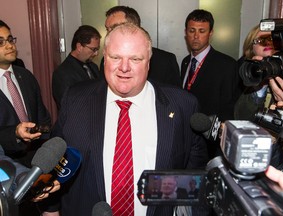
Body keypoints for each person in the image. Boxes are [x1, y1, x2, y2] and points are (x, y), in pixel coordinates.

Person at [51, 23, 209, 216]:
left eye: (135, 59)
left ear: (149, 63)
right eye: (115, 57)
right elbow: (56, 160)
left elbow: (195, 174)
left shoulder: (183, 105)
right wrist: (50, 209)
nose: (124, 68)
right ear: (104, 58)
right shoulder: (76, 100)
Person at [181, 9, 239, 159]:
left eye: (202, 31)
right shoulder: (185, 62)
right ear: (185, 32)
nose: (196, 36)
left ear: (211, 33)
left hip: (211, 144)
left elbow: (228, 108)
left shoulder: (226, 65)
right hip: (186, 137)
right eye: (192, 30)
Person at [0, 20, 51, 167]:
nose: (9, 46)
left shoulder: (26, 76)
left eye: (10, 39)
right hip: (6, 167)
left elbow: (42, 117)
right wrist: (14, 133)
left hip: (36, 161)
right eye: (1, 42)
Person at [101, 5, 182, 87]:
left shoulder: (166, 61)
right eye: (108, 29)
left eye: (115, 27)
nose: (109, 33)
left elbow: (176, 96)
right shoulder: (106, 60)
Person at [52, 25, 103, 109]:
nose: (96, 53)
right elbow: (68, 106)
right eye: (93, 49)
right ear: (79, 47)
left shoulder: (93, 66)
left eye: (97, 49)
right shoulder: (62, 73)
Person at [235, 25, 276, 121]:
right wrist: (259, 88)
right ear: (251, 49)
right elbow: (240, 117)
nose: (267, 43)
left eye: (272, 38)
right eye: (261, 40)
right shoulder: (249, 73)